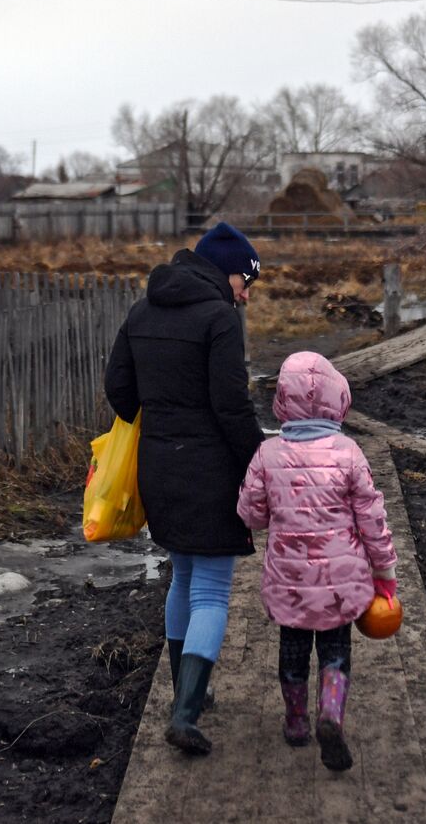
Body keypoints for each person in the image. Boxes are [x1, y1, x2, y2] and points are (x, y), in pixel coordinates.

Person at [104, 222, 265, 756]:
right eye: (246, 279)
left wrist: (161, 419)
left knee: (183, 577)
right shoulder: (219, 318)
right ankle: (187, 711)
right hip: (210, 470)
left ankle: (185, 692)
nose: (247, 292)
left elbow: (118, 389)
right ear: (226, 269)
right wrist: (260, 461)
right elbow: (230, 404)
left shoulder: (142, 309)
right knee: (212, 591)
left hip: (158, 467)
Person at [236, 351, 398, 772]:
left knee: (292, 652)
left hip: (288, 579)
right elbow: (372, 519)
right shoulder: (348, 452)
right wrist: (385, 572)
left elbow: (251, 516)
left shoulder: (267, 453)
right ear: (336, 398)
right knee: (335, 652)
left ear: (282, 401)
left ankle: (295, 721)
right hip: (340, 581)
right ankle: (331, 715)